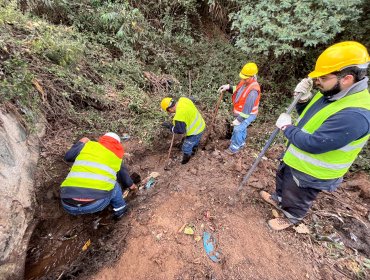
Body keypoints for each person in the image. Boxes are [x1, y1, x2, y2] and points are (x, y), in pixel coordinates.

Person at [260, 41, 370, 230]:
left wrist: (287, 128)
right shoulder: (332, 92)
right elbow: (311, 116)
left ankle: (291, 216)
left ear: (347, 78)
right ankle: (278, 199)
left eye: (323, 77)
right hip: (295, 158)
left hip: (311, 172)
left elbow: (315, 143)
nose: (317, 81)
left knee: (297, 195)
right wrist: (303, 100)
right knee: (284, 180)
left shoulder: (355, 115)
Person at [60, 132, 137, 220]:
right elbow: (125, 179)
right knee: (114, 185)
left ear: (102, 140)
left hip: (68, 204)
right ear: (117, 145)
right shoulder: (116, 158)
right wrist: (132, 186)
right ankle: (121, 211)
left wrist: (82, 142)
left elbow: (68, 157)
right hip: (95, 204)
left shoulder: (87, 146)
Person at [218, 62, 261, 155]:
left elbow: (247, 110)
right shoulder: (245, 81)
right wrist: (228, 87)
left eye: (245, 78)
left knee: (238, 129)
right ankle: (241, 143)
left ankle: (234, 148)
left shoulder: (253, 91)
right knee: (242, 128)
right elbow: (238, 90)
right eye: (243, 77)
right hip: (241, 112)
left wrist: (239, 120)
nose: (243, 79)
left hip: (248, 114)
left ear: (252, 76)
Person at [161, 97, 206, 164]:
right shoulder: (183, 99)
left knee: (186, 147)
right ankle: (194, 149)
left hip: (195, 132)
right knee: (195, 141)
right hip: (201, 125)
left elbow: (180, 130)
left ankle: (185, 160)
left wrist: (170, 126)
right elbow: (193, 99)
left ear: (169, 109)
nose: (169, 113)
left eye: (168, 111)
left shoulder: (179, 116)